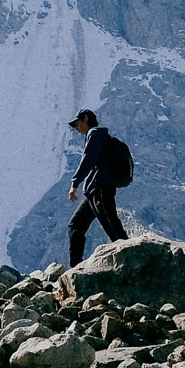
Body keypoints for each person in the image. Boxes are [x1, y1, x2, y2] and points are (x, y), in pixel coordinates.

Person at [67, 108, 130, 264]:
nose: (76, 128)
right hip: (94, 190)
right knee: (75, 225)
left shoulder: (94, 134)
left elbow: (88, 160)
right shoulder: (101, 136)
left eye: (77, 124)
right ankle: (76, 266)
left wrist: (75, 183)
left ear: (86, 119)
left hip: (100, 188)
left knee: (112, 226)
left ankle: (131, 256)